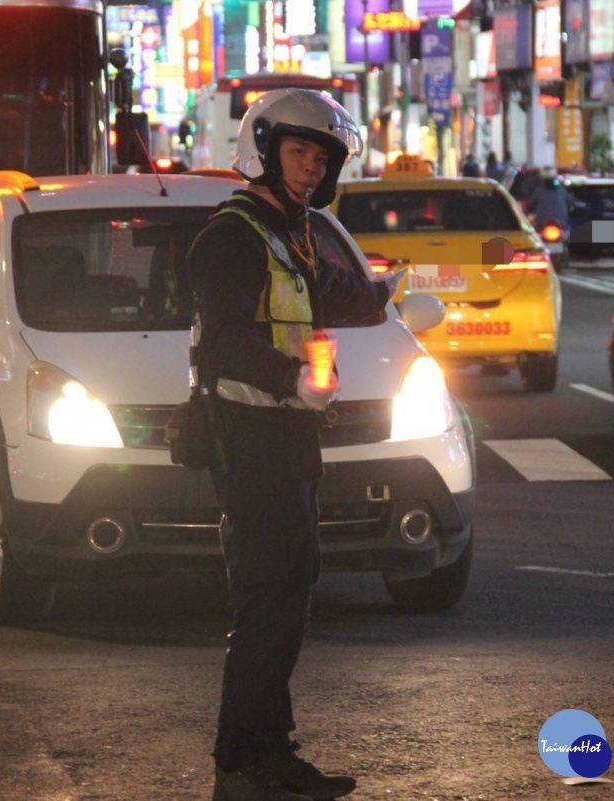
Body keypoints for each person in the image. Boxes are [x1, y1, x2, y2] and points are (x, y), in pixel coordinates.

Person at [186, 88, 401, 801]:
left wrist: (387, 296)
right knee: (268, 600)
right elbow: (222, 342)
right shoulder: (233, 236)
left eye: (320, 157)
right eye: (299, 151)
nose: (310, 167)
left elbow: (330, 290)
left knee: (288, 595)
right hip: (249, 440)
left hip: (288, 441)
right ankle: (247, 756)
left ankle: (265, 749)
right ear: (266, 149)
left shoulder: (290, 234)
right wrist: (289, 380)